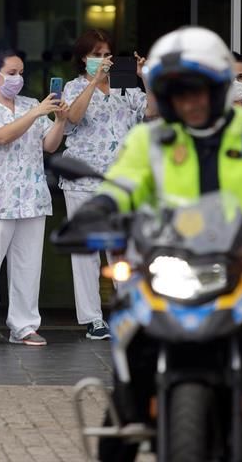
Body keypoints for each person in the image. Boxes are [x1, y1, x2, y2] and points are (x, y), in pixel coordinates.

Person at [66, 26, 242, 461]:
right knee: (131, 328)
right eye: (177, 90)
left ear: (219, 86)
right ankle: (123, 428)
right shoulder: (149, 139)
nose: (189, 100)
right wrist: (96, 211)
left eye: (198, 88)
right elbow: (121, 185)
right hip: (168, 263)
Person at [0, 48, 69, 347]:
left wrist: (60, 121)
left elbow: (49, 146)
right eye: (12, 73)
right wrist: (35, 113)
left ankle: (24, 326)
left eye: (21, 73)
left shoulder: (31, 104)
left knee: (28, 266)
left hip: (31, 197)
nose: (18, 78)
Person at [61, 29, 154, 340]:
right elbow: (73, 118)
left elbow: (152, 112)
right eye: (95, 54)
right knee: (86, 253)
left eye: (106, 54)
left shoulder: (126, 87)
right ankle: (92, 319)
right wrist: (93, 82)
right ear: (83, 58)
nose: (102, 60)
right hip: (82, 180)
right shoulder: (74, 87)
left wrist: (145, 78)